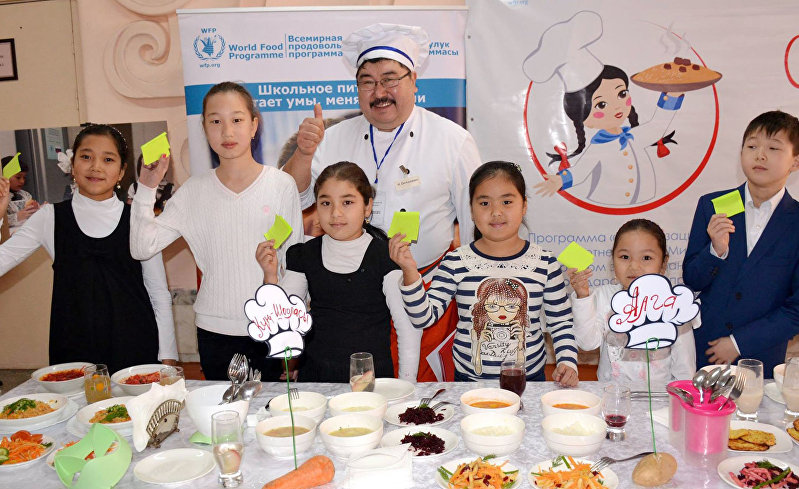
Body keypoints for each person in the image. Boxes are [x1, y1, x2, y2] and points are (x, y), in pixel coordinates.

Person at [283, 23, 482, 381]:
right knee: (357, 393)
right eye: (368, 82)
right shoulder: (334, 137)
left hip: (426, 291)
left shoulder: (453, 140)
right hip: (352, 302)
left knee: (419, 396)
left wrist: (468, 304)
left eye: (390, 79)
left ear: (413, 80)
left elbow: (472, 230)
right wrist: (304, 151)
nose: (379, 92)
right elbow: (294, 195)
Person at [130, 81, 303, 381]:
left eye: (236, 120)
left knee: (268, 410)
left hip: (269, 328)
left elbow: (296, 265)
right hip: (213, 331)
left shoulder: (281, 185)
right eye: (215, 122)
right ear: (204, 129)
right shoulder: (193, 191)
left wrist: (289, 333)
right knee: (222, 409)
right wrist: (146, 188)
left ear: (253, 126)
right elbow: (141, 248)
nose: (227, 132)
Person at [0, 124, 177, 372]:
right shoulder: (50, 217)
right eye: (86, 157)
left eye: (108, 159)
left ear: (121, 171)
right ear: (73, 166)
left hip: (135, 348)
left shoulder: (138, 219)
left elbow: (158, 292)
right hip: (73, 351)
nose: (96, 166)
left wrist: (167, 357)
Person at [389, 161, 579, 384]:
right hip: (469, 384)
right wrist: (410, 272)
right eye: (484, 203)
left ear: (524, 206)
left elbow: (561, 322)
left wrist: (567, 362)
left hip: (529, 382)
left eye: (507, 202)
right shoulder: (456, 261)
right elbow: (423, 317)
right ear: (471, 210)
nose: (496, 212)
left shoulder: (545, 262)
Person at [256, 162, 422, 382]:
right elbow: (281, 322)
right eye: (326, 203)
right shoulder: (303, 254)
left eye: (347, 202)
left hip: (371, 384)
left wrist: (407, 387)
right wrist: (270, 277)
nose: (335, 213)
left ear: (367, 207)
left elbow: (408, 329)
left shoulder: (386, 256)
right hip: (315, 381)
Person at [683, 110, 799, 376]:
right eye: (752, 146)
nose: (760, 155)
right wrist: (715, 251)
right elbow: (692, 279)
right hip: (706, 350)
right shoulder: (713, 205)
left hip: (761, 357)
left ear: (795, 161)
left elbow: (796, 309)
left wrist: (738, 343)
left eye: (773, 148)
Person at [568, 219, 697, 388]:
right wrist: (583, 296)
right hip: (612, 396)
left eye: (646, 258)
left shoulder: (674, 304)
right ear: (613, 259)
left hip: (659, 398)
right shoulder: (604, 296)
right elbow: (587, 342)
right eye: (624, 257)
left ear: (663, 263)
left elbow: (685, 370)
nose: (634, 266)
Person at [1, 155, 42, 233]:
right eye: (18, 177)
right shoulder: (1, 197)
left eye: (24, 178)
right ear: (5, 176)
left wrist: (38, 209)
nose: (22, 181)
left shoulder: (25, 195)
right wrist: (16, 217)